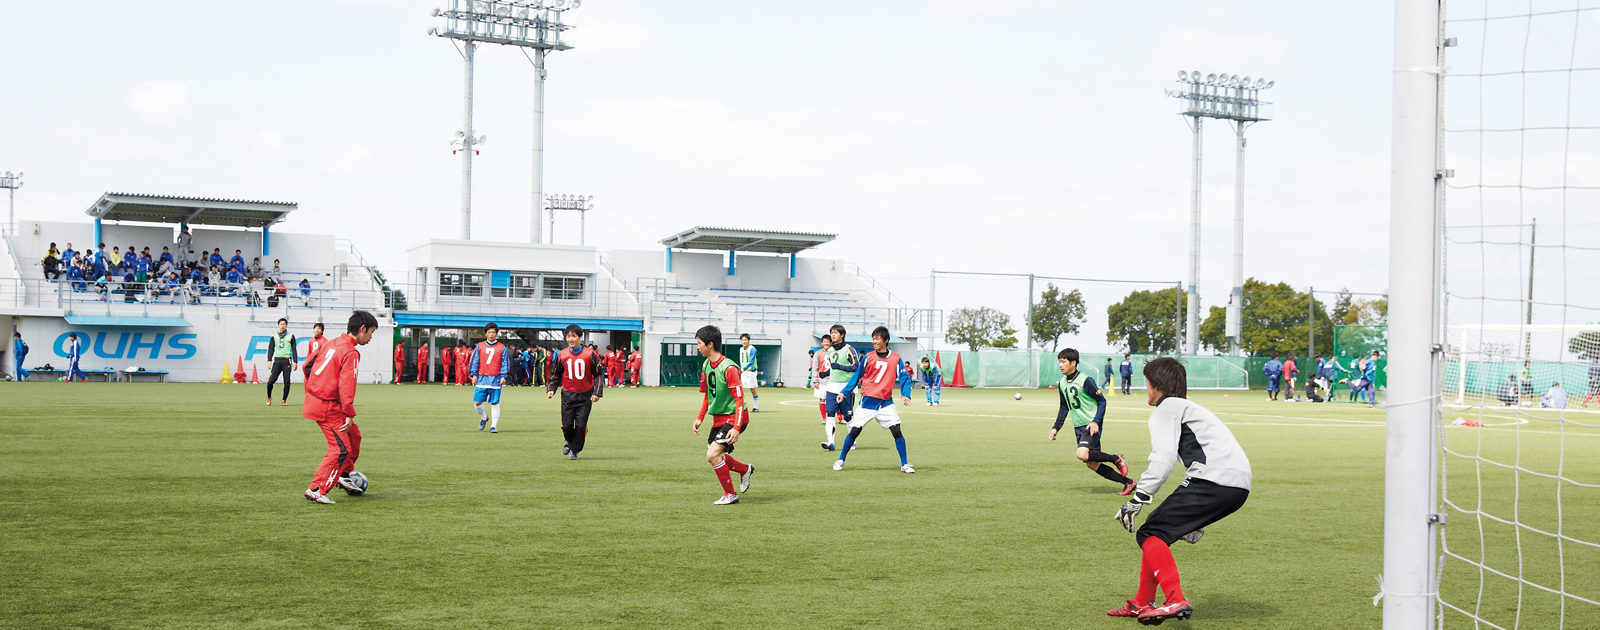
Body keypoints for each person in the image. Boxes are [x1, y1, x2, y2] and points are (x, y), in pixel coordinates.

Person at [1107, 357, 1252, 625]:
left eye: (1147, 381)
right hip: (1237, 485)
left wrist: (1138, 499)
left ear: (1156, 384)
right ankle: (1141, 602)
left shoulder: (1167, 408)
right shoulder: (1188, 406)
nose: (1145, 387)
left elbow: (1163, 458)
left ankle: (1175, 599)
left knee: (1150, 532)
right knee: (1157, 530)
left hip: (1214, 480)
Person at [302, 310, 378, 504]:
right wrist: (348, 413)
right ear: (362, 329)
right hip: (326, 405)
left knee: (354, 436)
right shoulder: (351, 352)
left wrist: (315, 387)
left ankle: (343, 475)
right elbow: (346, 386)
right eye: (371, 333)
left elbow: (307, 366)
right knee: (340, 448)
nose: (370, 338)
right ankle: (317, 488)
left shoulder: (330, 342)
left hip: (317, 400)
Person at [1049, 348, 1134, 493]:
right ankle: (1129, 483)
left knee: (1081, 454)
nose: (1060, 365)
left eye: (1063, 362)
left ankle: (1116, 458)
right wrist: (1056, 427)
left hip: (1090, 424)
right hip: (1078, 426)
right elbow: (1064, 406)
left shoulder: (1085, 380)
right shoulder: (1062, 383)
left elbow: (1102, 401)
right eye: (1059, 362)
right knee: (1091, 463)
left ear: (1073, 363)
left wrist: (1095, 421)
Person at [833, 326, 914, 473]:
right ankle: (840, 459)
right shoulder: (868, 357)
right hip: (867, 402)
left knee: (897, 430)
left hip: (885, 403)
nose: (874, 341)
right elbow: (857, 376)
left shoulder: (895, 359)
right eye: (873, 339)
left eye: (877, 339)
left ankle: (905, 464)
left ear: (886, 340)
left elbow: (904, 377)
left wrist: (906, 394)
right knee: (855, 431)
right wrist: (844, 392)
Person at [691, 324, 753, 505]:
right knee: (716, 455)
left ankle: (730, 495)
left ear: (710, 344)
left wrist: (736, 427)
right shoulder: (706, 365)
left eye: (699, 343)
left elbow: (740, 401)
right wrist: (699, 418)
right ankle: (744, 470)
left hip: (735, 417)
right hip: (719, 418)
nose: (697, 347)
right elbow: (708, 396)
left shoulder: (729, 368)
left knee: (712, 455)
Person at [548, 324, 604, 459]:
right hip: (568, 395)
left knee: (580, 425)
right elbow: (555, 374)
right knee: (566, 425)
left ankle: (574, 450)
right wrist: (551, 389)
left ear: (579, 337)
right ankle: (569, 440)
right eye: (568, 336)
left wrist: (596, 393)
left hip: (585, 395)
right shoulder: (562, 355)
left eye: (573, 336)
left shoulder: (590, 354)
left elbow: (598, 375)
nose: (571, 339)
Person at [470, 323, 511, 433]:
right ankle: (484, 418)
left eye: (493, 332)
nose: (491, 334)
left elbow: (504, 363)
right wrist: (473, 374)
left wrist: (503, 376)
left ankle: (493, 426)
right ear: (485, 334)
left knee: (494, 403)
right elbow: (475, 361)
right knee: (477, 402)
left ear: (496, 334)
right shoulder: (479, 346)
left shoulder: (501, 347)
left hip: (495, 379)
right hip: (482, 378)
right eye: (489, 332)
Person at [824, 324, 859, 433]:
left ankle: (852, 441)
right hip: (832, 386)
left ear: (842, 335)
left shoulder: (849, 349)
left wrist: (840, 367)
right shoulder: (830, 350)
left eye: (835, 333)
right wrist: (825, 373)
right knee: (830, 413)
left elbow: (856, 366)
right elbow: (833, 368)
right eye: (831, 333)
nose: (833, 335)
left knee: (847, 416)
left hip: (846, 387)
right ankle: (830, 441)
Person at [812, 337, 840, 450]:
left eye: (827, 341)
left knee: (837, 400)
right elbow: (815, 367)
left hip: (834, 380)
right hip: (822, 381)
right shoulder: (818, 353)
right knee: (822, 399)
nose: (825, 343)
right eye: (823, 341)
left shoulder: (834, 352)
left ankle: (841, 417)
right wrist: (815, 380)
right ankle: (824, 418)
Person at [265, 317, 299, 406]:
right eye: (281, 324)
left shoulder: (291, 336)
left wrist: (295, 361)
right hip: (277, 360)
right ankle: (269, 397)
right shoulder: (274, 336)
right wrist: (269, 360)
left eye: (284, 324)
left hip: (287, 360)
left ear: (286, 325)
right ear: (278, 325)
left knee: (287, 381)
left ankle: (284, 400)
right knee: (271, 381)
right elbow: (271, 349)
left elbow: (294, 349)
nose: (282, 326)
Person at [738, 333, 761, 412]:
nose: (744, 341)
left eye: (745, 340)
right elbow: (741, 360)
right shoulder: (741, 349)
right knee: (740, 389)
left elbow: (751, 361)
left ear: (748, 341)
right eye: (742, 340)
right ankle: (741, 407)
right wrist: (741, 369)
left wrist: (744, 368)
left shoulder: (752, 349)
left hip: (751, 372)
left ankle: (756, 407)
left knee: (752, 389)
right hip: (743, 371)